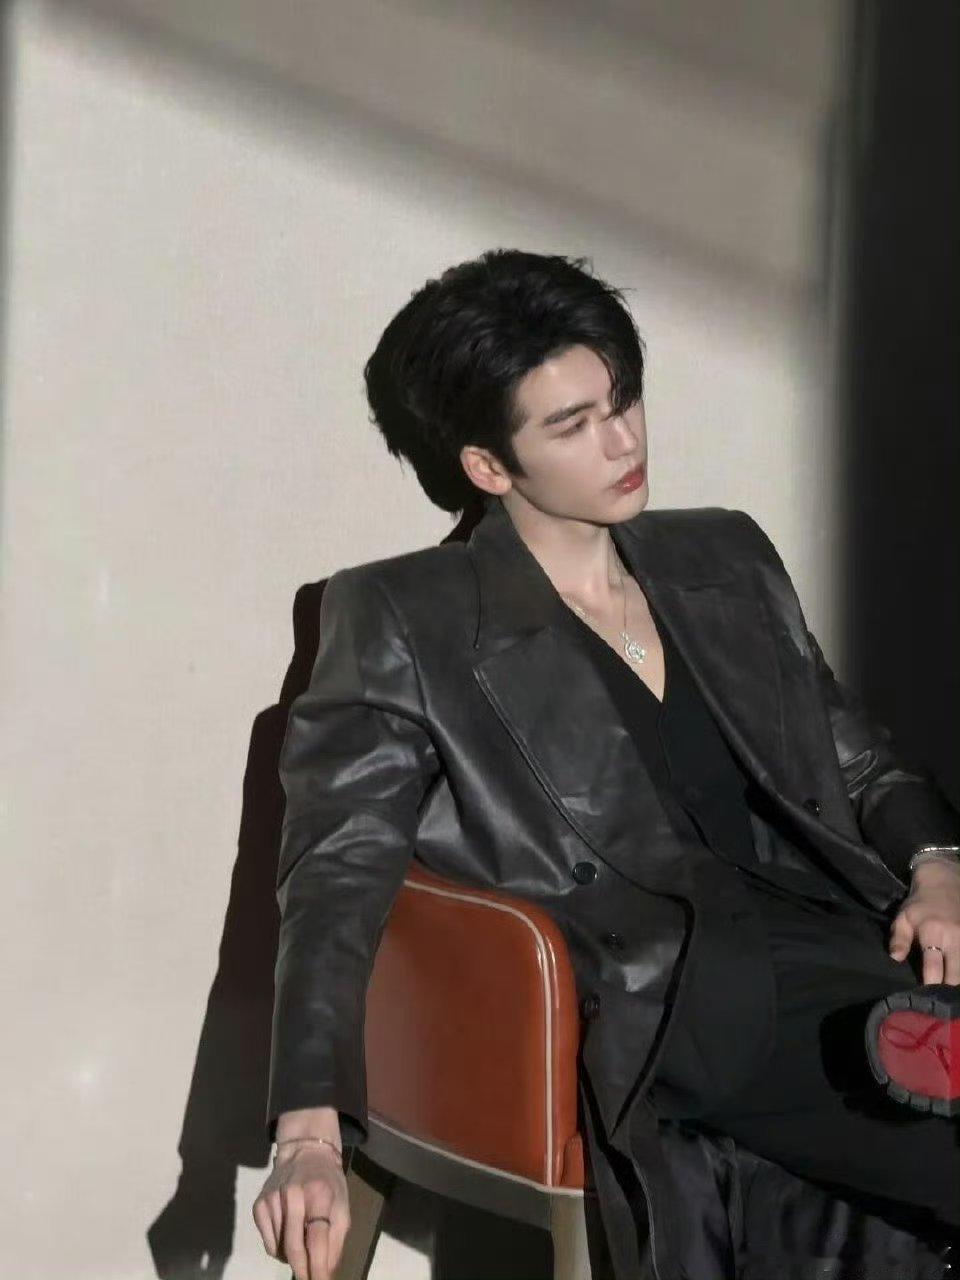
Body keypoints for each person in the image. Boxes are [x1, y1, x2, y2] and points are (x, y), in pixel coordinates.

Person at [252, 249, 960, 1280]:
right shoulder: (409, 617)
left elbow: (861, 764)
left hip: (833, 928)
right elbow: (337, 870)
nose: (623, 441)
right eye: (573, 424)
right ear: (490, 466)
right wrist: (308, 1130)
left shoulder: (726, 557)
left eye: (622, 400)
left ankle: (920, 1047)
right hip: (669, 992)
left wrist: (938, 865)